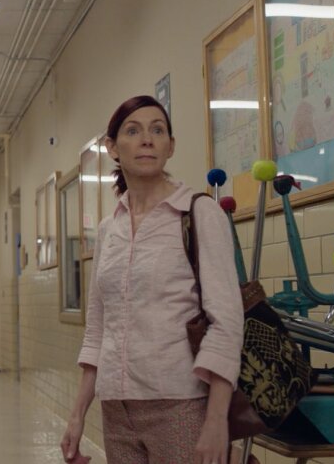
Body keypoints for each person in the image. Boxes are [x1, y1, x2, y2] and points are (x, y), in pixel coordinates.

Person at [60, 96, 243, 464]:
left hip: (181, 404)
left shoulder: (198, 213)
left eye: (157, 130)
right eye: (133, 131)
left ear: (170, 146)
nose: (147, 139)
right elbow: (97, 329)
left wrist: (216, 421)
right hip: (117, 409)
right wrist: (78, 415)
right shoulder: (109, 229)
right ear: (112, 147)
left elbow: (226, 322)